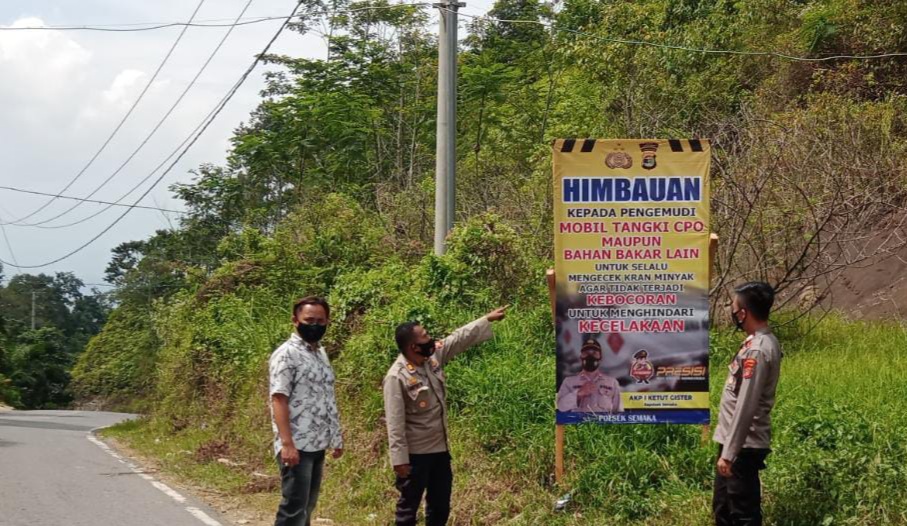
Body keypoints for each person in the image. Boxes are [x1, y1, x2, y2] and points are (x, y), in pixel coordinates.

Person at [383, 306, 508, 526]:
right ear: (413, 346)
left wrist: (485, 319)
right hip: (415, 456)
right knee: (408, 509)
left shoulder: (431, 359)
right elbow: (394, 423)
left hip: (440, 450)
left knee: (440, 505)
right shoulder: (396, 377)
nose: (430, 339)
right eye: (425, 336)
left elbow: (457, 339)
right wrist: (399, 460)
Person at [269, 297, 343, 526]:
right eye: (309, 320)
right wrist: (287, 444)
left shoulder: (320, 354)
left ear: (328, 321)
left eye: (321, 320)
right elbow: (279, 399)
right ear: (295, 320)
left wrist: (336, 437)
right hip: (297, 445)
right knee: (293, 509)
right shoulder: (286, 354)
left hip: (317, 443)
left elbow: (326, 396)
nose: (315, 325)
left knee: (306, 507)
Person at [713, 282, 782, 526]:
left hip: (742, 446)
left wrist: (729, 454)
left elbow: (746, 404)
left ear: (744, 313)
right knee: (723, 510)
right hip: (733, 442)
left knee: (742, 515)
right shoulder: (753, 343)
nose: (732, 312)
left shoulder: (758, 350)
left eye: (734, 307)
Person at [556, 338, 623, 413]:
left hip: (603, 423)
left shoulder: (612, 382)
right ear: (581, 357)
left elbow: (618, 412)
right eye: (586, 353)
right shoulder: (569, 381)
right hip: (578, 423)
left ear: (600, 357)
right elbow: (561, 407)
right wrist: (578, 393)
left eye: (594, 353)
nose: (590, 356)